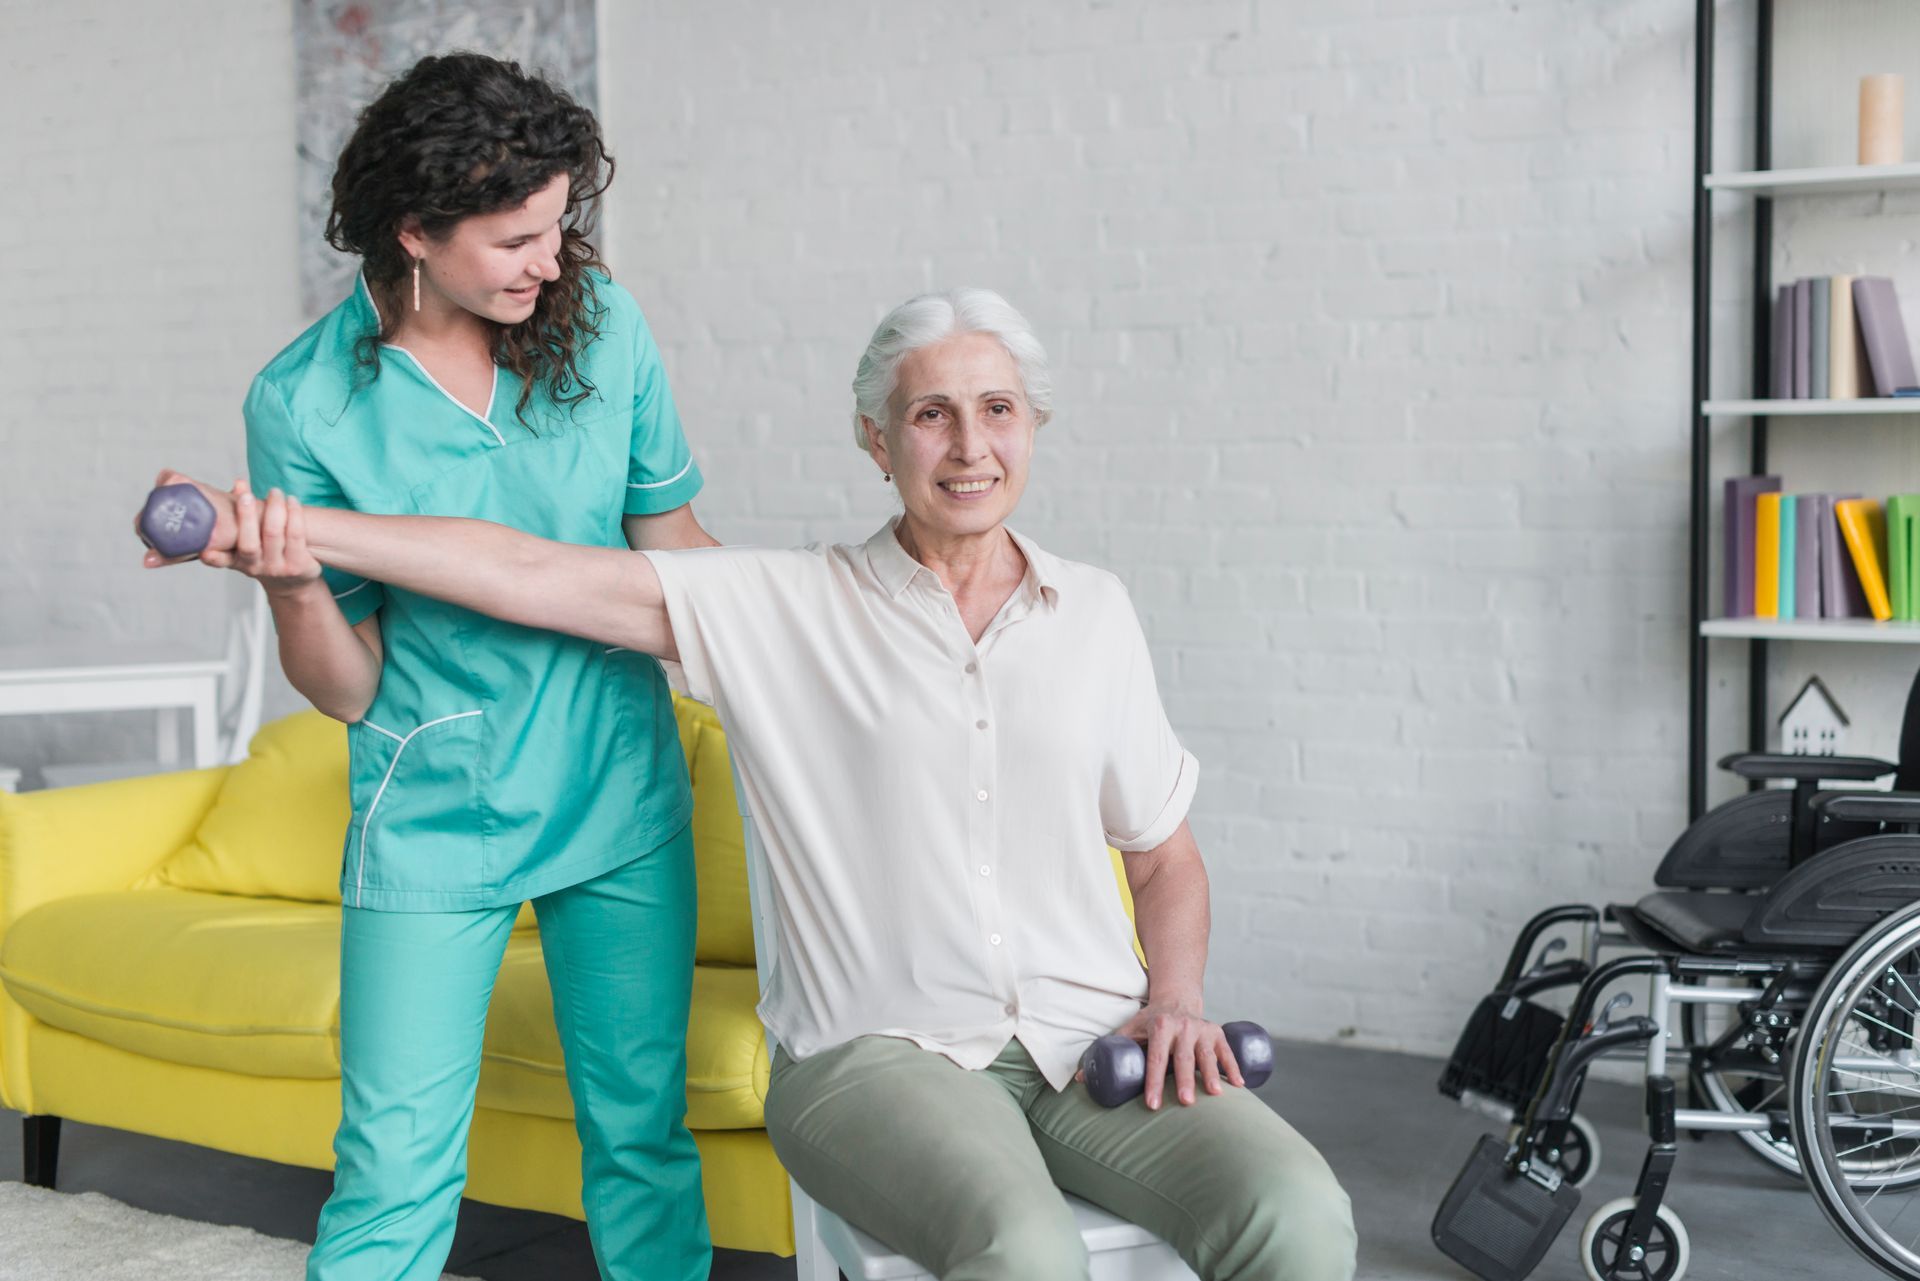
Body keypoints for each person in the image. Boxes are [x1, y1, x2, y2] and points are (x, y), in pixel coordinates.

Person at [149, 288, 1358, 1281]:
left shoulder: (1096, 613)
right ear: (877, 444)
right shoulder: (784, 608)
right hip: (880, 1057)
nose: (971, 445)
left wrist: (1181, 998)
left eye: (998, 410)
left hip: (1092, 1035)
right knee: (1022, 1253)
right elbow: (520, 568)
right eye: (931, 415)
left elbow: (1165, 856)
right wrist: (289, 532)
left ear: (1034, 428)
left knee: (1300, 1212)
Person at [213, 52, 714, 1281]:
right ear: (415, 235)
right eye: (516, 238)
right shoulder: (307, 402)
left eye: (561, 225)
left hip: (619, 786)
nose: (552, 261)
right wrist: (289, 581)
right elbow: (344, 685)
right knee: (393, 1171)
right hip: (436, 807)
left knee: (643, 1140)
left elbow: (678, 556)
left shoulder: (601, 322)